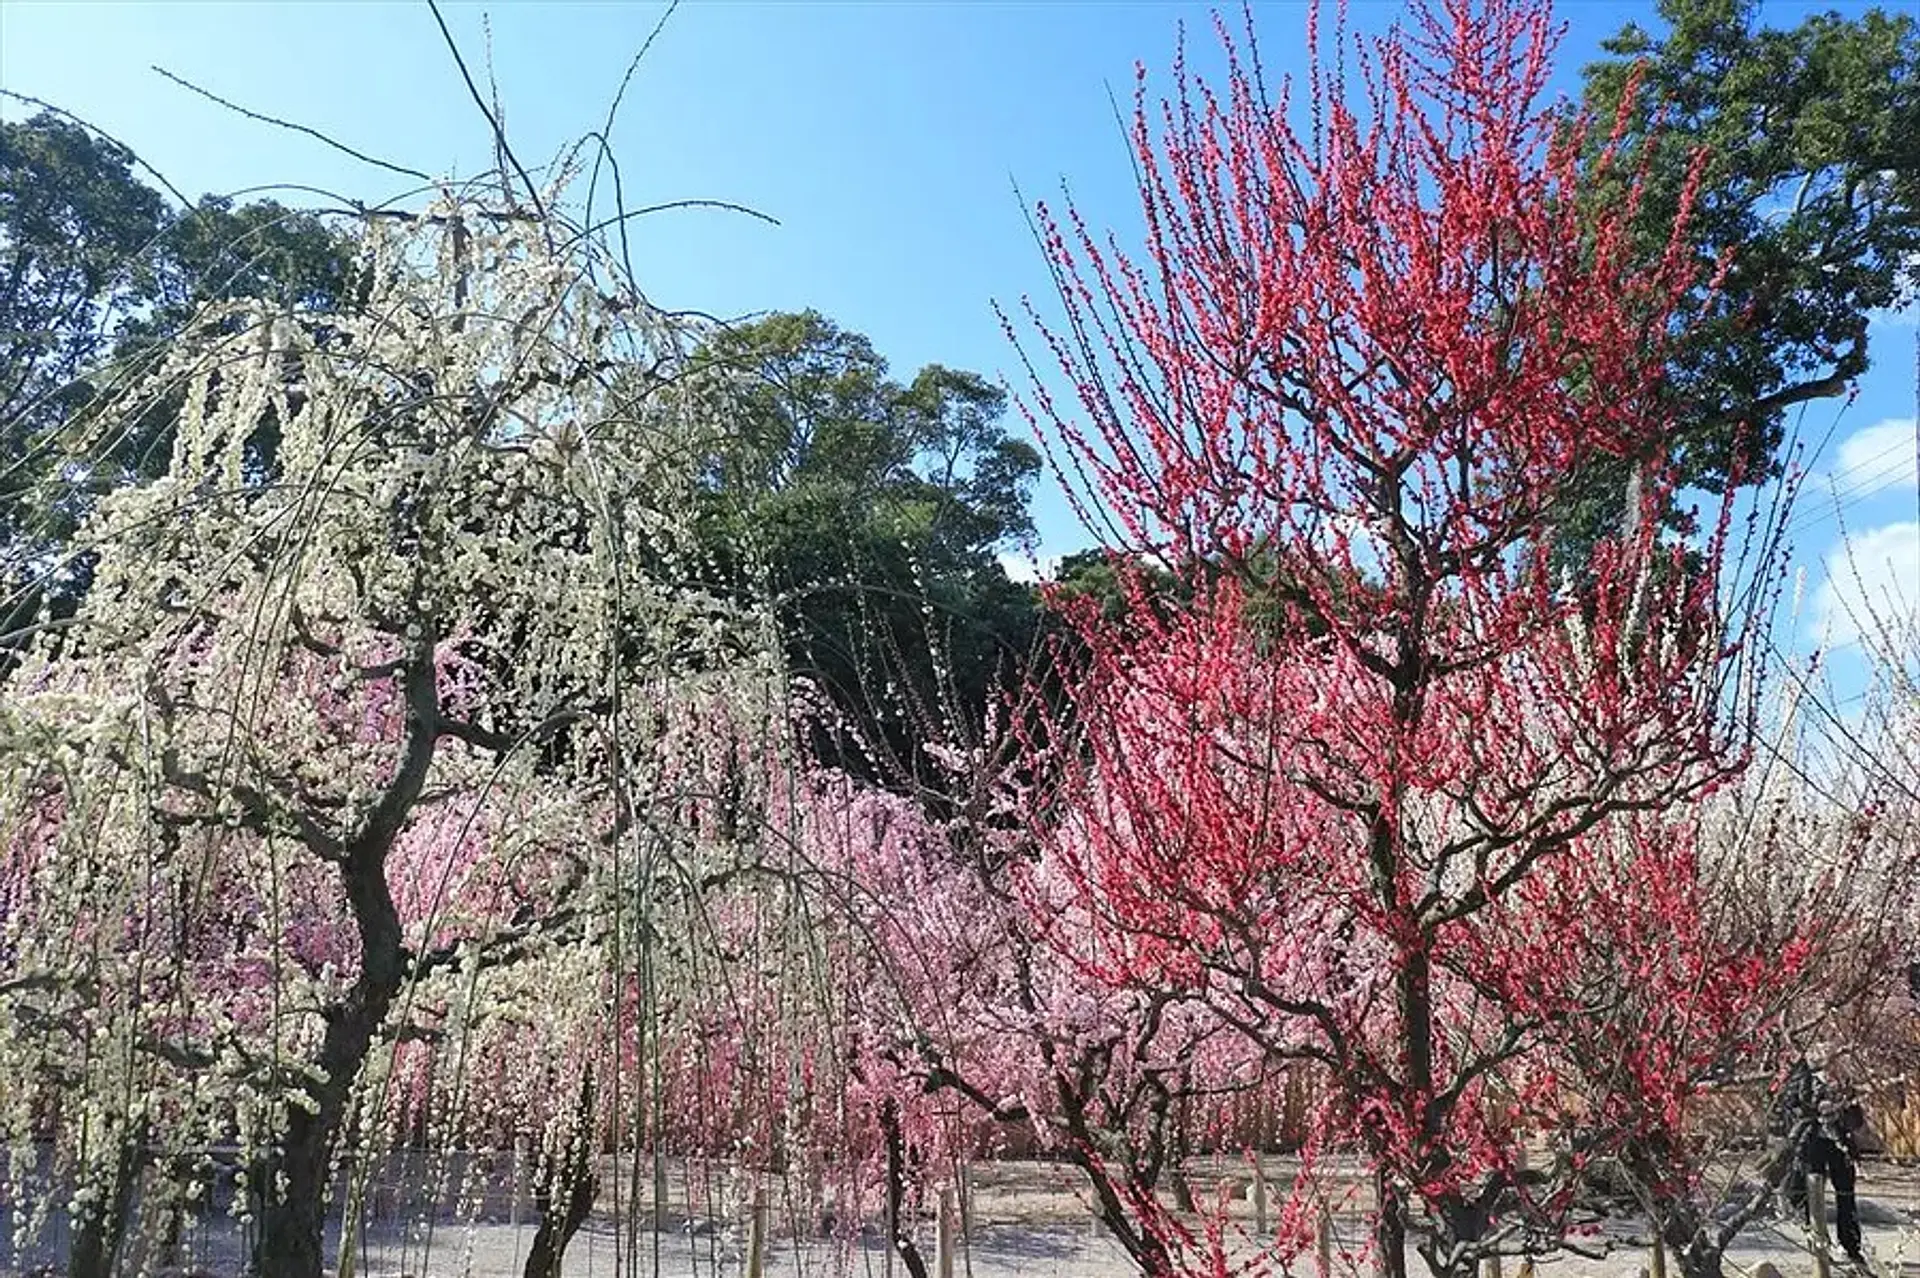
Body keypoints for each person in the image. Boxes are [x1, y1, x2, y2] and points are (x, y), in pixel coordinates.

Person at [1773, 1052, 1867, 1267]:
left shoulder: (1843, 1084)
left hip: (1839, 1145)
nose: (1832, 1065)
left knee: (1845, 1194)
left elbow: (1856, 1119)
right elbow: (1791, 1108)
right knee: (1807, 1194)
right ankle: (1817, 1242)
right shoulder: (1802, 1079)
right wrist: (1815, 1111)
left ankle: (1851, 1247)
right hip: (1811, 1144)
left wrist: (1843, 1112)